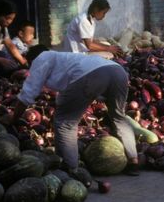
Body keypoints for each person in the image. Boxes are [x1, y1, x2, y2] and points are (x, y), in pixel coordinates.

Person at [9, 45, 139, 175]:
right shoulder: (63, 58)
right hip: (117, 71)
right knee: (119, 117)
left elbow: (28, 94)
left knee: (65, 123)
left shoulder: (41, 58)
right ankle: (133, 160)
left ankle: (70, 168)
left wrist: (13, 119)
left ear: (32, 59)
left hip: (91, 76)